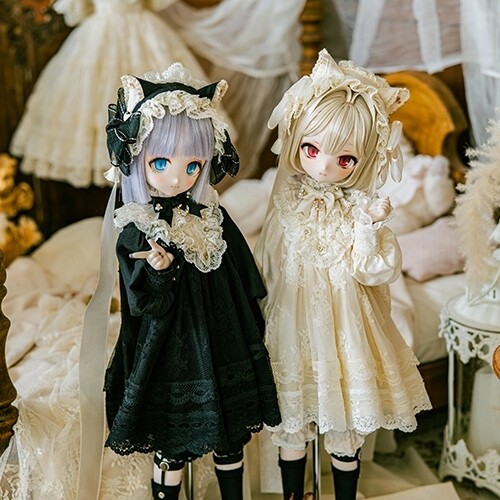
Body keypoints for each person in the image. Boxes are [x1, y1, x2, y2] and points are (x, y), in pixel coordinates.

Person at [253, 49, 432, 500]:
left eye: (345, 159)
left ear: (363, 160)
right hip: (292, 325)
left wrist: (369, 228)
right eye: (311, 150)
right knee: (292, 421)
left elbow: (374, 271)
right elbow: (268, 261)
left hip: (345, 325)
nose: (324, 167)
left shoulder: (360, 210)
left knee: (345, 422)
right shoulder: (287, 200)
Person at [103, 62, 281, 500]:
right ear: (137, 160)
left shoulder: (212, 215)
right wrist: (160, 270)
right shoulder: (137, 226)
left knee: (230, 439)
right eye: (160, 162)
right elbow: (142, 303)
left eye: (193, 165)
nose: (176, 177)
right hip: (170, 349)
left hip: (222, 339)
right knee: (171, 447)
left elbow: (243, 274)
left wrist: (258, 316)